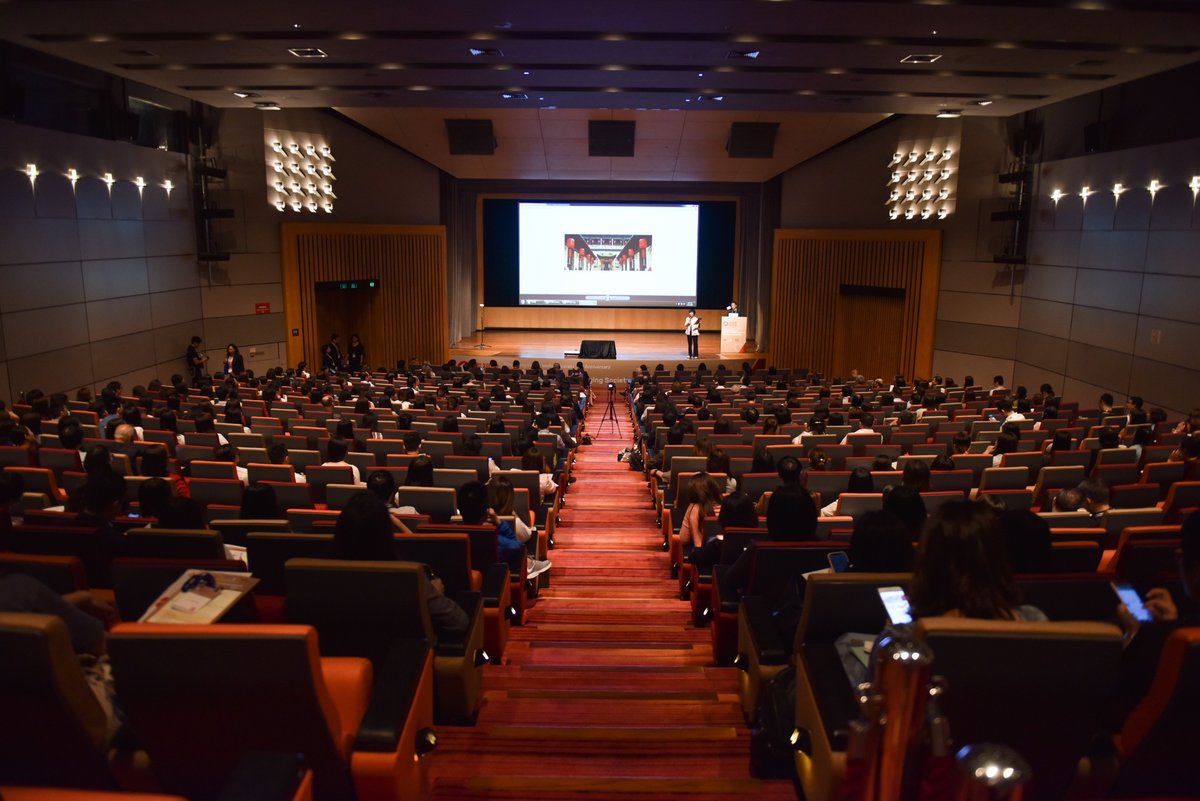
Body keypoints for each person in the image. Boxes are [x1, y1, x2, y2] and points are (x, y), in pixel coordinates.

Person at [332, 492, 468, 638]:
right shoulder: (409, 577)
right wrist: (434, 595)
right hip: (400, 651)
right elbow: (459, 622)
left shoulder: (321, 578)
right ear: (386, 536)